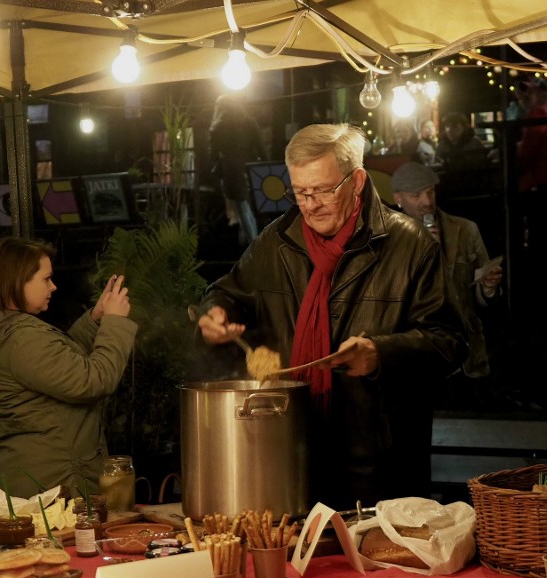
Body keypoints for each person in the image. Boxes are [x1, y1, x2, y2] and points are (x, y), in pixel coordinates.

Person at [196, 123, 466, 508]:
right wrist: (215, 313)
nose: (310, 205)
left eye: (322, 190)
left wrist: (380, 353)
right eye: (300, 192)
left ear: (357, 181)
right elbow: (225, 292)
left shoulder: (409, 245)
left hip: (378, 464)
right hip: (289, 450)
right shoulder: (277, 241)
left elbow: (450, 343)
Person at [0, 237, 137, 499]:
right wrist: (114, 323)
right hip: (51, 487)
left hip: (28, 478)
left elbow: (56, 363)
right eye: (46, 279)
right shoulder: (23, 339)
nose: (53, 287)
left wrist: (95, 320)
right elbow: (92, 381)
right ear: (18, 280)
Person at [390, 161, 502, 380]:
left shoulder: (466, 230)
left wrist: (488, 288)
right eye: (417, 195)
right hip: (415, 356)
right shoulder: (389, 238)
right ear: (398, 199)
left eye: (430, 192)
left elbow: (481, 299)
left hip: (465, 355)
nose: (427, 202)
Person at [208, 95, 267, 247]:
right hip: (251, 168)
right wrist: (265, 166)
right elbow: (261, 148)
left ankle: (253, 247)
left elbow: (213, 154)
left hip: (231, 170)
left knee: (242, 208)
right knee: (250, 207)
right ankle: (252, 245)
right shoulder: (249, 122)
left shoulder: (218, 127)